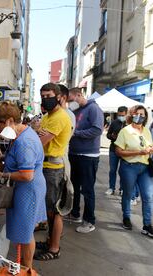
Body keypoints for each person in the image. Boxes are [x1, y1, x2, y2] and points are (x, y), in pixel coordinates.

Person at [0, 101, 47, 269]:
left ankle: (27, 269)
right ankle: (24, 267)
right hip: (27, 188)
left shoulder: (24, 142)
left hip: (28, 190)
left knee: (26, 234)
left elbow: (27, 175)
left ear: (9, 120)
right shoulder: (22, 133)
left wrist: (4, 174)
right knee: (25, 232)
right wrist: (4, 158)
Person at [34, 83, 71, 261]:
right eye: (42, 96)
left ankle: (54, 248)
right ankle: (50, 241)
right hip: (45, 167)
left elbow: (40, 141)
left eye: (48, 96)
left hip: (54, 170)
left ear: (58, 96)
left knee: (55, 211)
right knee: (48, 210)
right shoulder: (48, 116)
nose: (45, 99)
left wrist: (35, 133)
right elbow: (38, 133)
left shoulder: (59, 117)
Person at [66, 87, 104, 233]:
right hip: (75, 153)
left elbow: (97, 130)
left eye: (71, 99)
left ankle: (89, 220)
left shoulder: (93, 109)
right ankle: (75, 213)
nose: (70, 103)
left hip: (88, 156)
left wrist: (76, 133)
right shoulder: (75, 111)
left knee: (87, 190)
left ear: (79, 95)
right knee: (73, 186)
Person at [114, 105, 153, 237]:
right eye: (137, 114)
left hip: (145, 167)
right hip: (129, 167)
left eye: (142, 115)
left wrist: (149, 150)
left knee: (148, 196)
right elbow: (118, 151)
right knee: (128, 194)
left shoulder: (146, 131)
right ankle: (126, 217)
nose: (140, 117)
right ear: (132, 115)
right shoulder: (125, 131)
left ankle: (147, 225)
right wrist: (139, 151)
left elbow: (149, 145)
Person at [105, 106, 128, 196]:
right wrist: (112, 136)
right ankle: (111, 187)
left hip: (124, 151)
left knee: (123, 171)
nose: (120, 117)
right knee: (112, 170)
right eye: (119, 115)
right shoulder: (114, 123)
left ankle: (122, 189)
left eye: (122, 115)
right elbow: (108, 134)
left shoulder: (129, 124)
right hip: (113, 149)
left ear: (126, 114)